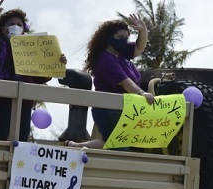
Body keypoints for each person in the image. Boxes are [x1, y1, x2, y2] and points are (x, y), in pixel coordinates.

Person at [0, 0, 67, 141]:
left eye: (19, 24)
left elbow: (41, 75)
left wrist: (57, 61)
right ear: (2, 28)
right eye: (11, 23)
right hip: (0, 100)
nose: (15, 26)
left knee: (20, 142)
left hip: (24, 103)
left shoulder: (32, 48)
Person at [65, 15, 154, 149]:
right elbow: (124, 82)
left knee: (114, 142)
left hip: (124, 108)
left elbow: (139, 47)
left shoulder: (122, 53)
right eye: (120, 38)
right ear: (108, 38)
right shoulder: (105, 59)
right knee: (117, 143)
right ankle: (76, 146)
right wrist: (142, 93)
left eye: (126, 38)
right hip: (108, 109)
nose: (124, 41)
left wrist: (143, 30)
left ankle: (76, 146)